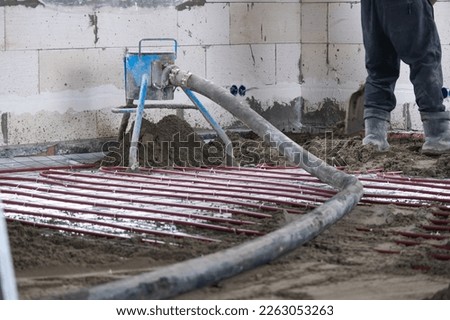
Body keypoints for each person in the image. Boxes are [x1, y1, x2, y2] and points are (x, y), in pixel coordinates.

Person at [361, 0, 449, 155]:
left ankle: (374, 138)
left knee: (380, 68)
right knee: (425, 61)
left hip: (370, 5)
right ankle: (438, 137)